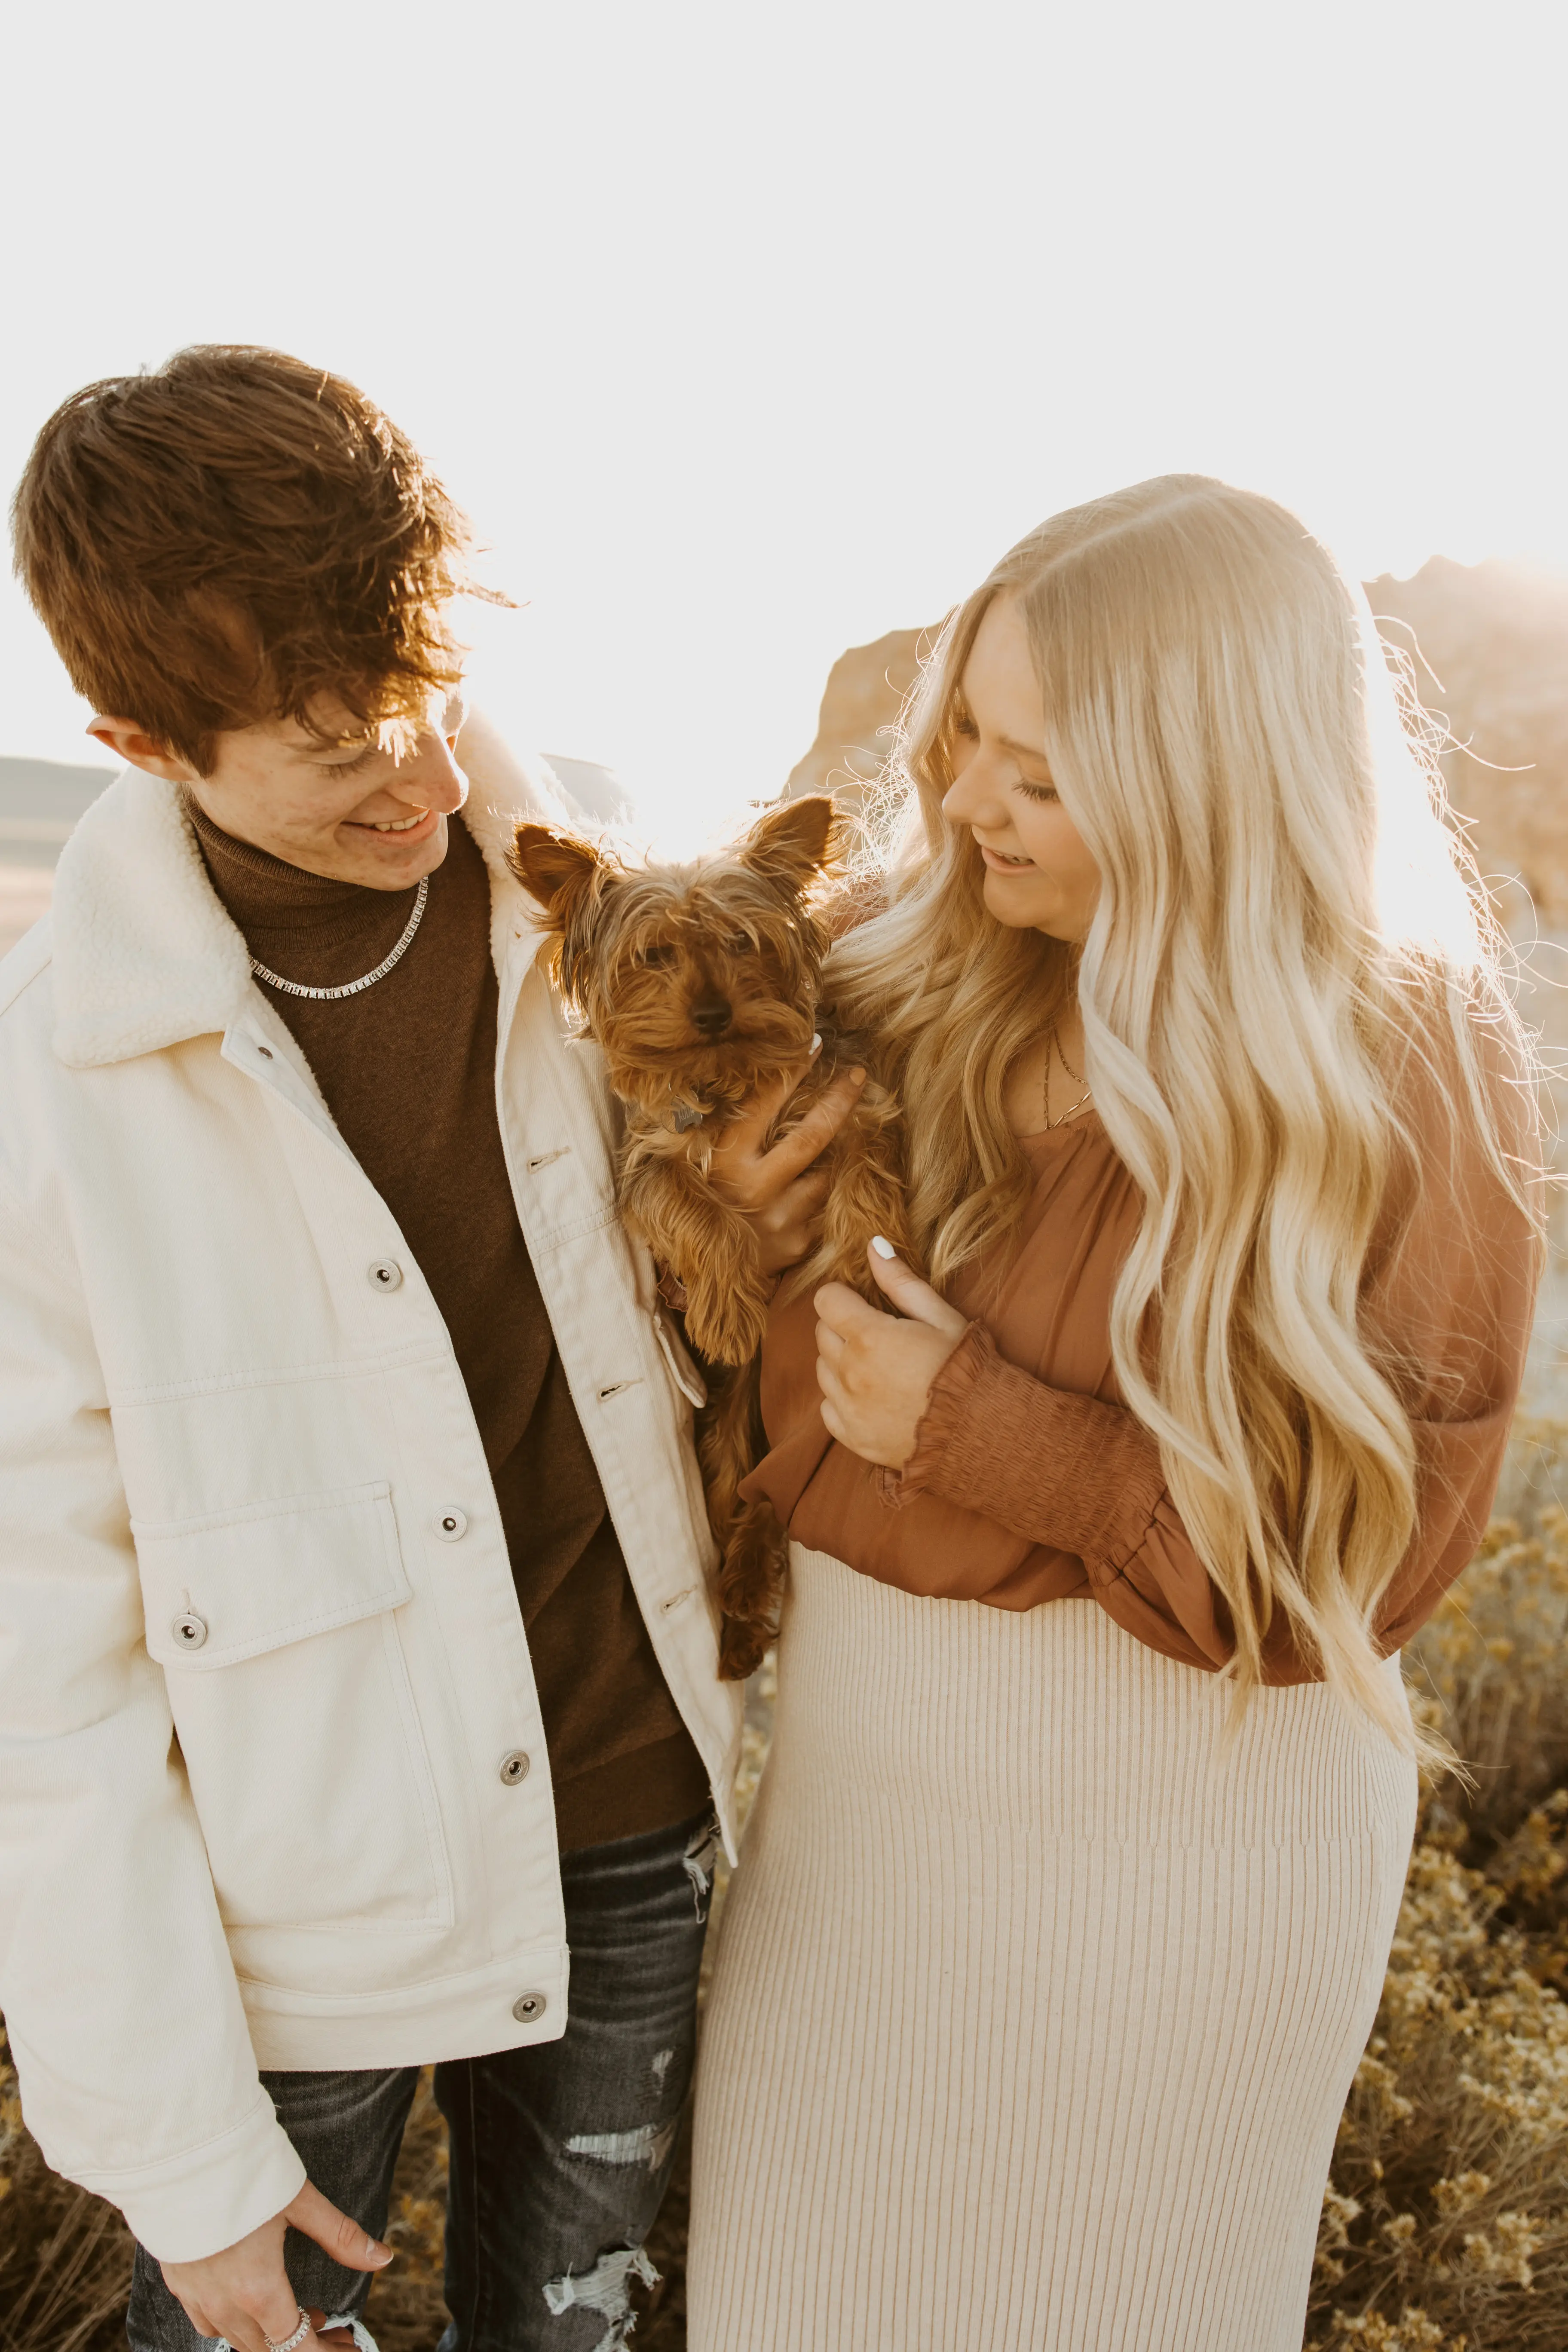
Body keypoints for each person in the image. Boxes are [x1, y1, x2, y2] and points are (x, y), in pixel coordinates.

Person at [0, 346, 854, 2352]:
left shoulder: (602, 911)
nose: (425, 778)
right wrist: (176, 2156)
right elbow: (43, 1665)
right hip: (297, 1939)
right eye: (335, 749)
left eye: (425, 697)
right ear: (138, 739)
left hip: (632, 1824)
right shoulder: (56, 1085)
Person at [688, 476, 1545, 2352]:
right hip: (860, 1831)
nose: (971, 801)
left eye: (1043, 773)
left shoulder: (1398, 1053)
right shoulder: (901, 979)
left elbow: (1357, 1562)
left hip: (1191, 1861)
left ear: (1209, 782)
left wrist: (985, 1427)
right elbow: (782, 1410)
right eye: (968, 734)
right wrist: (747, 1248)